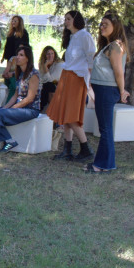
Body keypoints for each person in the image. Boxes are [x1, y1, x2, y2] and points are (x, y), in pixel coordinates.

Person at [45, 10, 96, 161]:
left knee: (72, 115)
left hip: (77, 78)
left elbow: (91, 58)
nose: (66, 21)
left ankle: (86, 148)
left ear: (76, 20)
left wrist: (90, 82)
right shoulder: (73, 37)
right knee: (65, 115)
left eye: (68, 19)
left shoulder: (84, 36)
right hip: (68, 77)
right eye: (65, 19)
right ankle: (67, 150)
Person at [86, 12, 130, 173]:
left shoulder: (115, 46)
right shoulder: (109, 45)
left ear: (115, 27)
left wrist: (122, 90)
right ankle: (105, 163)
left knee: (105, 129)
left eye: (106, 24)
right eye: (101, 24)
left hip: (107, 90)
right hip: (101, 89)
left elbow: (119, 72)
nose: (101, 27)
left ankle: (102, 164)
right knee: (105, 128)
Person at [0, 45, 42, 154]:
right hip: (19, 108)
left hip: (30, 109)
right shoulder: (20, 74)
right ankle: (9, 140)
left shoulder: (34, 74)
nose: (17, 57)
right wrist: (5, 108)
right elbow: (15, 96)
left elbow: (29, 98)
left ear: (28, 58)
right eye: (17, 55)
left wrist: (12, 109)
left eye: (21, 55)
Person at [0, 15, 29, 102]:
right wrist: (3, 57)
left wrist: (21, 50)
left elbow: (26, 46)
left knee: (14, 78)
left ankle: (13, 98)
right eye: (12, 21)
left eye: (15, 21)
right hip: (10, 58)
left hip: (18, 59)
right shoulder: (10, 33)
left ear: (19, 23)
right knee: (7, 78)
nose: (13, 22)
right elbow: (7, 46)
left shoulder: (24, 32)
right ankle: (8, 97)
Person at [38, 45, 63, 110]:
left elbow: (51, 80)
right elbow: (41, 79)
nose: (50, 56)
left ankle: (40, 108)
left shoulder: (59, 64)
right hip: (48, 85)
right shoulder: (42, 63)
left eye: (52, 53)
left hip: (58, 85)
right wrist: (44, 66)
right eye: (48, 54)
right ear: (44, 56)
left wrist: (46, 67)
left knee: (48, 85)